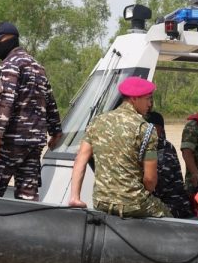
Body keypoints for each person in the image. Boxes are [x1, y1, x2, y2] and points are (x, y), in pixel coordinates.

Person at [0, 21, 63, 201]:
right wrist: (55, 132)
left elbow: (5, 101)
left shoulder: (10, 64)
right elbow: (50, 101)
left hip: (13, 139)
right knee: (27, 193)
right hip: (35, 142)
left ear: (11, 39)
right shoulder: (38, 66)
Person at [68, 77, 171, 218]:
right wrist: (144, 194)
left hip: (100, 201)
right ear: (134, 99)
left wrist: (75, 197)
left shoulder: (97, 121)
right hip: (133, 203)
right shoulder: (146, 129)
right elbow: (150, 179)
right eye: (147, 98)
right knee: (168, 217)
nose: (150, 103)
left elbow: (81, 158)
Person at [145, 111, 193, 218]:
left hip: (173, 208)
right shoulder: (155, 146)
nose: (147, 131)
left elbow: (156, 184)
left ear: (160, 129)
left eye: (152, 127)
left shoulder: (164, 149)